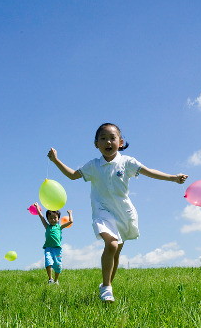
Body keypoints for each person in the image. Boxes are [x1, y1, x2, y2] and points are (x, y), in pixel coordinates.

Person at [47, 123, 188, 302]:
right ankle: (106, 287)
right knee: (112, 245)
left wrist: (173, 178)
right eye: (103, 138)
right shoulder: (93, 166)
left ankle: (107, 285)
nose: (108, 141)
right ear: (96, 144)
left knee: (116, 252)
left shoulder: (127, 162)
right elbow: (73, 175)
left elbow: (149, 172)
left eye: (112, 138)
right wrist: (56, 160)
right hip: (102, 212)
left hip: (123, 213)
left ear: (120, 142)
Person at [33, 203, 73, 284]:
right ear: (48, 219)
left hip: (57, 249)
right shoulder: (47, 226)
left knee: (58, 266)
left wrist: (70, 213)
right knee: (48, 262)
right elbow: (41, 217)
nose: (53, 220)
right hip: (48, 248)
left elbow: (71, 221)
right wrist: (37, 208)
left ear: (58, 219)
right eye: (50, 218)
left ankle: (56, 280)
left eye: (55, 218)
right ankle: (50, 279)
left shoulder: (59, 227)